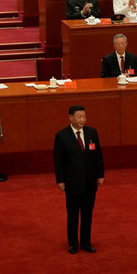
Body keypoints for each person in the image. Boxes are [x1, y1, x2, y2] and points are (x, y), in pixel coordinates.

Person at [54, 105, 104, 254]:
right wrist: (60, 180)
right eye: (79, 117)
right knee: (73, 215)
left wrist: (100, 175)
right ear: (70, 118)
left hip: (90, 181)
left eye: (84, 117)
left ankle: (86, 242)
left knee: (88, 214)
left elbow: (98, 156)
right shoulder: (62, 136)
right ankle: (73, 243)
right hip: (72, 182)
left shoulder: (92, 133)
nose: (82, 119)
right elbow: (58, 161)